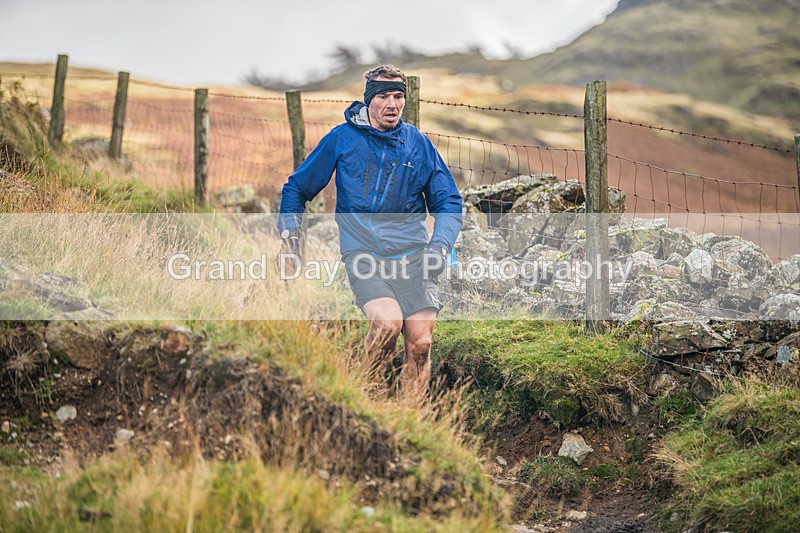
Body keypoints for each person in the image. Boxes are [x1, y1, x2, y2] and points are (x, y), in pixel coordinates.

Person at [277, 64, 462, 402]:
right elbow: (296, 189)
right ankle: (367, 402)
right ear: (368, 101)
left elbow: (448, 200)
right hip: (364, 253)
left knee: (421, 344)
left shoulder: (417, 145)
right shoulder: (342, 140)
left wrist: (440, 246)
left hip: (415, 256)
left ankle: (410, 426)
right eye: (383, 97)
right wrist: (290, 239)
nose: (392, 104)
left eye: (398, 97)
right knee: (388, 324)